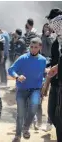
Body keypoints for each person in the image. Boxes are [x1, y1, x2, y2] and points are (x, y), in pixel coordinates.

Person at [8, 37, 46, 142]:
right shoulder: (23, 58)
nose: (33, 49)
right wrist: (17, 77)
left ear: (40, 47)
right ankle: (17, 136)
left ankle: (26, 127)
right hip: (22, 89)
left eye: (36, 47)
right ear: (29, 47)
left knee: (34, 108)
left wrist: (44, 82)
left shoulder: (43, 60)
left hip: (35, 89)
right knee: (20, 113)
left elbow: (43, 74)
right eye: (32, 47)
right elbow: (11, 70)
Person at [43, 8, 62, 142]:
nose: (50, 24)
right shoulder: (56, 42)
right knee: (52, 114)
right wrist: (46, 84)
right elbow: (56, 62)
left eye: (52, 21)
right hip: (56, 82)